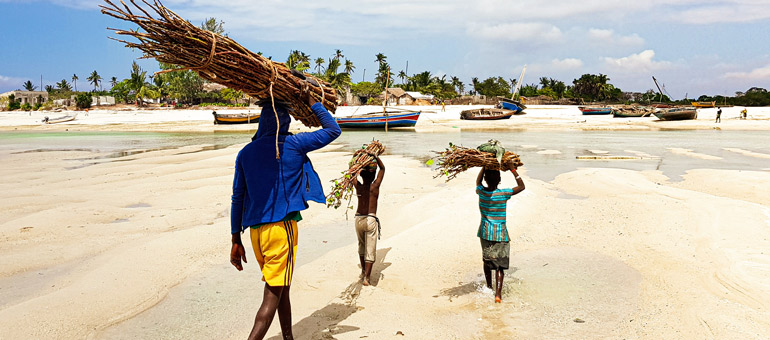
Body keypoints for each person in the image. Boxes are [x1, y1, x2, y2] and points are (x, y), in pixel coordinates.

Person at [229, 81, 341, 340]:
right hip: (281, 231)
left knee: (282, 287)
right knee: (271, 297)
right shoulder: (294, 144)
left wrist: (236, 239)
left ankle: (288, 337)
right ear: (285, 121)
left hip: (256, 234)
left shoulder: (245, 153)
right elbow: (333, 130)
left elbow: (237, 198)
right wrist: (313, 102)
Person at [475, 162, 525, 303]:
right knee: (500, 266)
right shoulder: (503, 194)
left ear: (486, 180)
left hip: (485, 232)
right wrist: (513, 169)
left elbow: (478, 182)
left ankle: (489, 286)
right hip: (500, 233)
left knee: (487, 260)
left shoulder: (482, 192)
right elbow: (522, 186)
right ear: (499, 181)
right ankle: (498, 294)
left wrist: (484, 166)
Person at [353, 154, 385, 286]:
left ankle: (362, 272)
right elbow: (382, 169)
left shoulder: (359, 187)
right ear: (373, 176)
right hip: (370, 219)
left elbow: (351, 174)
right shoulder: (375, 187)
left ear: (361, 175)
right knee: (370, 248)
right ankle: (367, 277)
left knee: (361, 245)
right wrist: (375, 156)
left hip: (359, 219)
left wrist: (356, 161)